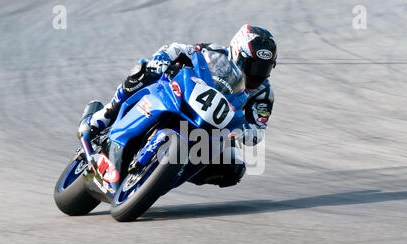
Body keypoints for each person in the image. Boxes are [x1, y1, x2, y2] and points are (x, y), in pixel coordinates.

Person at [78, 24, 277, 187]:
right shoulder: (214, 52)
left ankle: (166, 172)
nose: (257, 74)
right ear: (236, 52)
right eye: (252, 65)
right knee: (144, 71)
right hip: (181, 95)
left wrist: (244, 134)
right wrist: (160, 60)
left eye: (264, 68)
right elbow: (176, 49)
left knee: (234, 169)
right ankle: (103, 116)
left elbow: (259, 129)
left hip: (215, 130)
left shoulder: (264, 93)